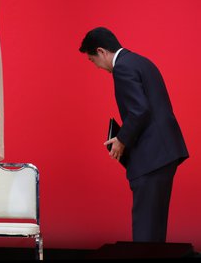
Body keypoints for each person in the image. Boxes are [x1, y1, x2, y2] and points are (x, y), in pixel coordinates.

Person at [79, 27, 188, 242]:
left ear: (101, 52)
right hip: (165, 153)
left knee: (146, 230)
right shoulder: (141, 61)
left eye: (93, 61)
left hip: (151, 157)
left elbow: (139, 110)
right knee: (155, 227)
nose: (97, 67)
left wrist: (121, 140)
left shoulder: (122, 68)